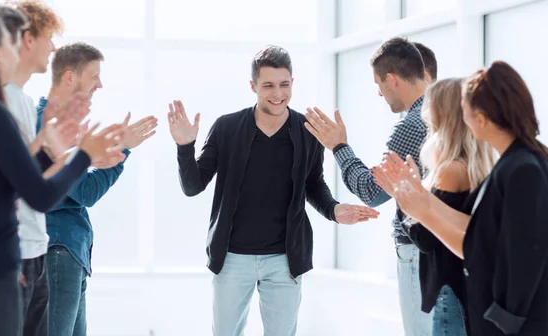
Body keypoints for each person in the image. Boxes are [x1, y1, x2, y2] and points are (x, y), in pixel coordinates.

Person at [168, 44, 379, 336]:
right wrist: (184, 147)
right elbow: (193, 186)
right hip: (232, 258)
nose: (277, 94)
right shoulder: (227, 128)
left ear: (293, 83)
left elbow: (313, 184)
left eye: (284, 84)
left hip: (284, 260)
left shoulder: (307, 130)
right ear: (253, 85)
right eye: (268, 85)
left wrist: (333, 210)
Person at [0, 12, 123, 336]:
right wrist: (83, 154)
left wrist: (45, 151)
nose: (20, 50)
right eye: (12, 43)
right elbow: (39, 195)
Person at [373, 61, 548, 335]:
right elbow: (480, 236)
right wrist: (419, 200)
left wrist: (506, 319)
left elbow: (521, 254)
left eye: (466, 111)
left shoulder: (522, 168)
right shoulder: (514, 163)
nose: (463, 120)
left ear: (482, 117)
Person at [303, 37, 432, 335]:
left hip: (417, 250)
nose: (379, 93)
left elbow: (371, 191)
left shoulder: (412, 125)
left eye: (378, 84)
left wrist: (338, 146)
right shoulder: (446, 113)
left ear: (392, 79)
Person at [37, 42, 158, 336]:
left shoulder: (59, 124)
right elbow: (86, 192)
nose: (100, 85)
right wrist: (123, 152)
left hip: (69, 252)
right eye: (94, 77)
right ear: (69, 77)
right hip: (58, 250)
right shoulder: (51, 124)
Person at [0, 2, 70, 335]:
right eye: (49, 37)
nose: (54, 47)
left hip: (34, 247)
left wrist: (62, 153)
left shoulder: (24, 101)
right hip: (13, 252)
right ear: (27, 39)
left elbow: (30, 175)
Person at [398, 78, 495, 335]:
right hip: (470, 290)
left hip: (449, 289)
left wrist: (404, 197)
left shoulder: (450, 170)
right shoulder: (481, 166)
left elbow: (426, 239)